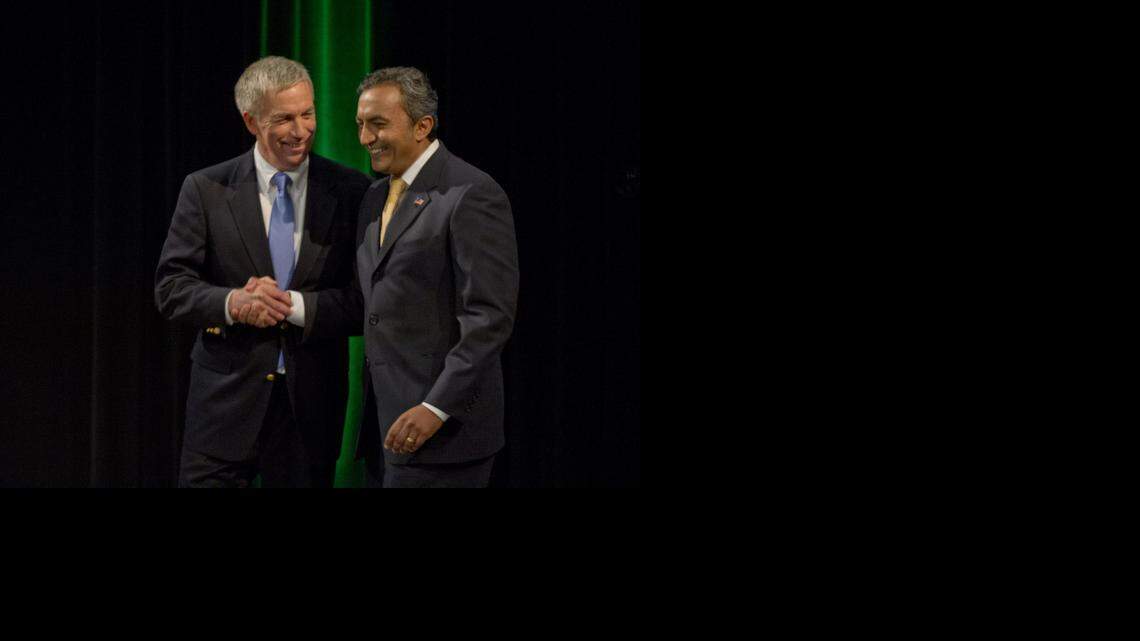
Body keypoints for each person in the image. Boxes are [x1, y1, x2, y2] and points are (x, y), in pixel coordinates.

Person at [155, 56, 371, 488]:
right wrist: (233, 302)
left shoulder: (352, 191)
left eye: (307, 114)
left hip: (310, 410)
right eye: (284, 118)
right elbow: (171, 288)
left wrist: (294, 306)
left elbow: (365, 300)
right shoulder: (205, 188)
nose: (301, 130)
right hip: (221, 409)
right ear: (251, 121)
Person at [353, 67, 519, 488]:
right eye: (360, 125)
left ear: (423, 126)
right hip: (386, 428)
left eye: (378, 124)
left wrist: (436, 407)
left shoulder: (471, 192)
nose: (365, 139)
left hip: (443, 435)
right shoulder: (374, 197)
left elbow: (488, 318)